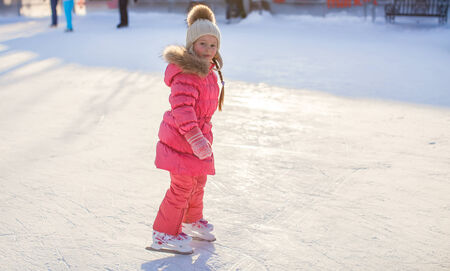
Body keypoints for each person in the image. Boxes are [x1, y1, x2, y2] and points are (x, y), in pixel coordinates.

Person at [148, 4, 225, 255]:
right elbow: (182, 109)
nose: (208, 50)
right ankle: (163, 233)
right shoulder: (187, 73)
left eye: (213, 45)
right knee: (181, 186)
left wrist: (202, 138)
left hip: (198, 137)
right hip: (183, 139)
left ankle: (191, 220)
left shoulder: (209, 72)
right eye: (203, 44)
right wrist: (195, 138)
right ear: (192, 44)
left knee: (198, 182)